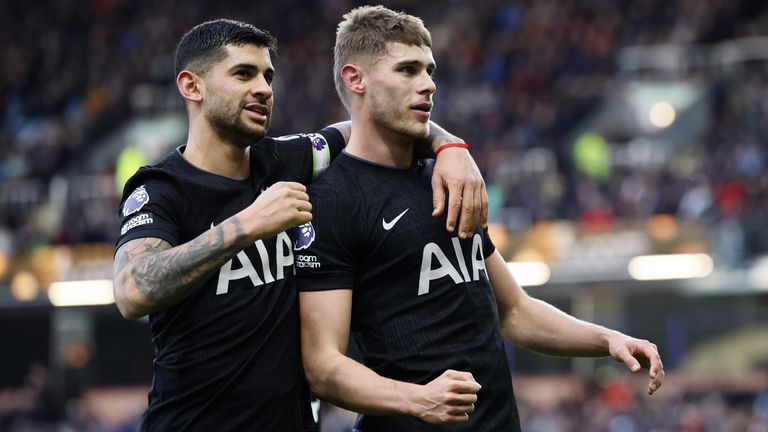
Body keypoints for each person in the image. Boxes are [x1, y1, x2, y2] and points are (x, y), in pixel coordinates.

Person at [296, 6, 665, 431]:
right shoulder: (332, 202)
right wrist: (418, 399)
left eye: (430, 70)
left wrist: (607, 339)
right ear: (355, 79)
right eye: (408, 70)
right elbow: (323, 366)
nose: (428, 84)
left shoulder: (449, 179)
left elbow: (514, 310)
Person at [112, 19, 488, 431]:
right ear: (192, 86)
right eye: (243, 73)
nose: (263, 88)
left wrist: (451, 147)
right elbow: (132, 291)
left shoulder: (286, 160)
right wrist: (249, 224)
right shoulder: (162, 188)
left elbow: (371, 122)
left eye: (268, 76)